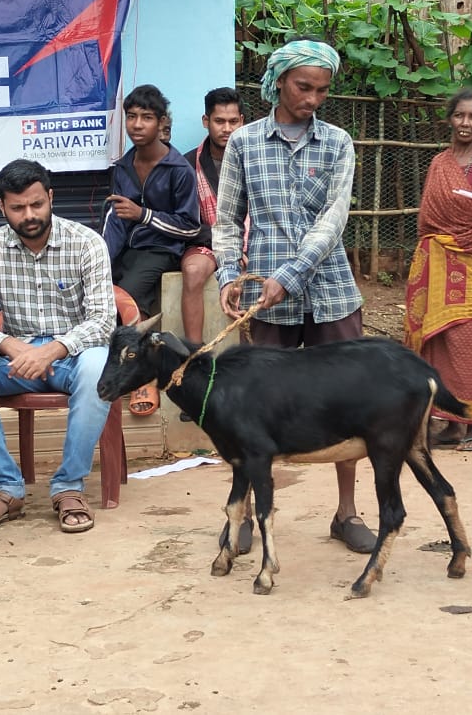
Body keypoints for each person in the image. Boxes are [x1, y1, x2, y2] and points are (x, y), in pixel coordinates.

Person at [213, 38, 377, 555]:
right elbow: (225, 221)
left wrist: (292, 274)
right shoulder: (242, 144)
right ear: (278, 81)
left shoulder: (338, 143)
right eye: (303, 86)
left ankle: (347, 512)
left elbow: (332, 222)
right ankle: (243, 514)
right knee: (254, 408)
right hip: (264, 297)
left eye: (321, 90)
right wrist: (226, 278)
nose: (312, 98)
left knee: (349, 401)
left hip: (329, 292)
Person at [0, 160, 115, 535]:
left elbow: (104, 321)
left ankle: (70, 486)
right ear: (2, 207)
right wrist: (10, 345)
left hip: (72, 358)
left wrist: (52, 350)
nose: (30, 215)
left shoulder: (86, 242)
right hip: (16, 362)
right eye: (18, 207)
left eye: (37, 204)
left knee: (99, 366)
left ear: (51, 197)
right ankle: (6, 488)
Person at [404, 89, 472, 452]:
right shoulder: (439, 163)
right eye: (460, 116)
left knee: (463, 344)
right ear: (450, 118)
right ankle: (450, 422)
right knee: (435, 346)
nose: (465, 123)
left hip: (469, 265)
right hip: (434, 263)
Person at [103, 84, 200, 415]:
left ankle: (143, 377)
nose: (137, 125)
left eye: (146, 118)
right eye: (131, 117)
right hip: (128, 249)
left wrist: (144, 215)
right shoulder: (123, 166)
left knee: (128, 295)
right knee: (102, 290)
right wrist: (101, 259)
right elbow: (116, 221)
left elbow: (189, 226)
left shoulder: (179, 170)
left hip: (163, 249)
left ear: (161, 123)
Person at [180, 87, 246, 346]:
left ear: (242, 121)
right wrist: (223, 245)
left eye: (233, 121)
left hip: (250, 241)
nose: (226, 129)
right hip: (205, 242)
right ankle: (194, 353)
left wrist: (241, 245)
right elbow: (185, 221)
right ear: (206, 121)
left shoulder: (254, 160)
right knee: (193, 271)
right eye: (219, 121)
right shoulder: (186, 165)